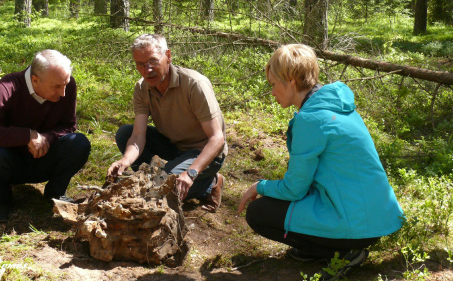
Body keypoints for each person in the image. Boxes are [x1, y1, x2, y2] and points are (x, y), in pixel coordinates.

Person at [237, 44, 403, 280]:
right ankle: (316, 248)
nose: (271, 92)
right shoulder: (335, 105)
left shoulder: (311, 119)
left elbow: (294, 189)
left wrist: (259, 186)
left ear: (291, 81)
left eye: (273, 84)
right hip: (373, 218)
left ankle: (341, 252)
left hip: (355, 225)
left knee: (258, 213)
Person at [0, 49, 91, 223]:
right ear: (35, 80)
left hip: (45, 160)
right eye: (56, 87)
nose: (63, 92)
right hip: (10, 164)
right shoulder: (8, 86)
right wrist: (27, 136)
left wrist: (46, 138)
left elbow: (69, 126)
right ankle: (3, 199)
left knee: (79, 143)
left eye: (66, 84)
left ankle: (55, 193)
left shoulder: (66, 85)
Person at [107, 34, 227, 212]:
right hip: (173, 145)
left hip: (204, 152)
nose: (147, 70)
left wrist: (191, 173)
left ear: (168, 56)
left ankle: (211, 182)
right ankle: (159, 179)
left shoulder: (194, 84)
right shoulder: (142, 88)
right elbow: (138, 135)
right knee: (125, 134)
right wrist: (125, 161)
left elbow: (217, 139)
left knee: (162, 186)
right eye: (140, 64)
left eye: (152, 61)